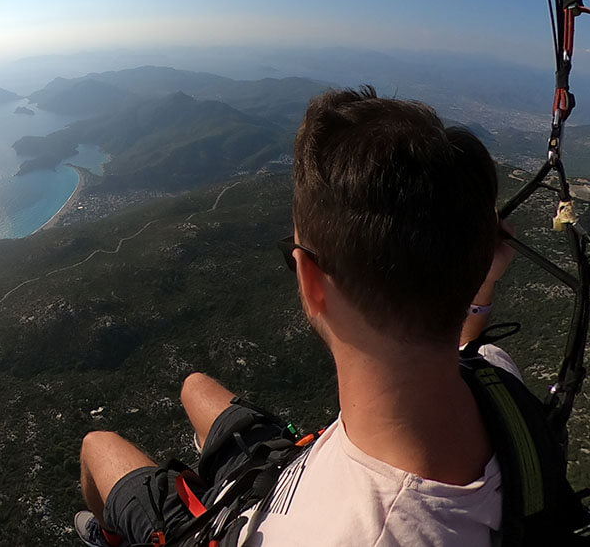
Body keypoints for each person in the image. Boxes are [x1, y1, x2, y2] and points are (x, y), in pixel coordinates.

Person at [75, 86, 521, 546]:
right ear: (472, 267)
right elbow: (465, 348)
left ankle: (111, 538)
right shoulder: (499, 380)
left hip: (241, 520)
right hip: (287, 475)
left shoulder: (355, 534)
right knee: (195, 386)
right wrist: (479, 288)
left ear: (310, 277)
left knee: (97, 445)